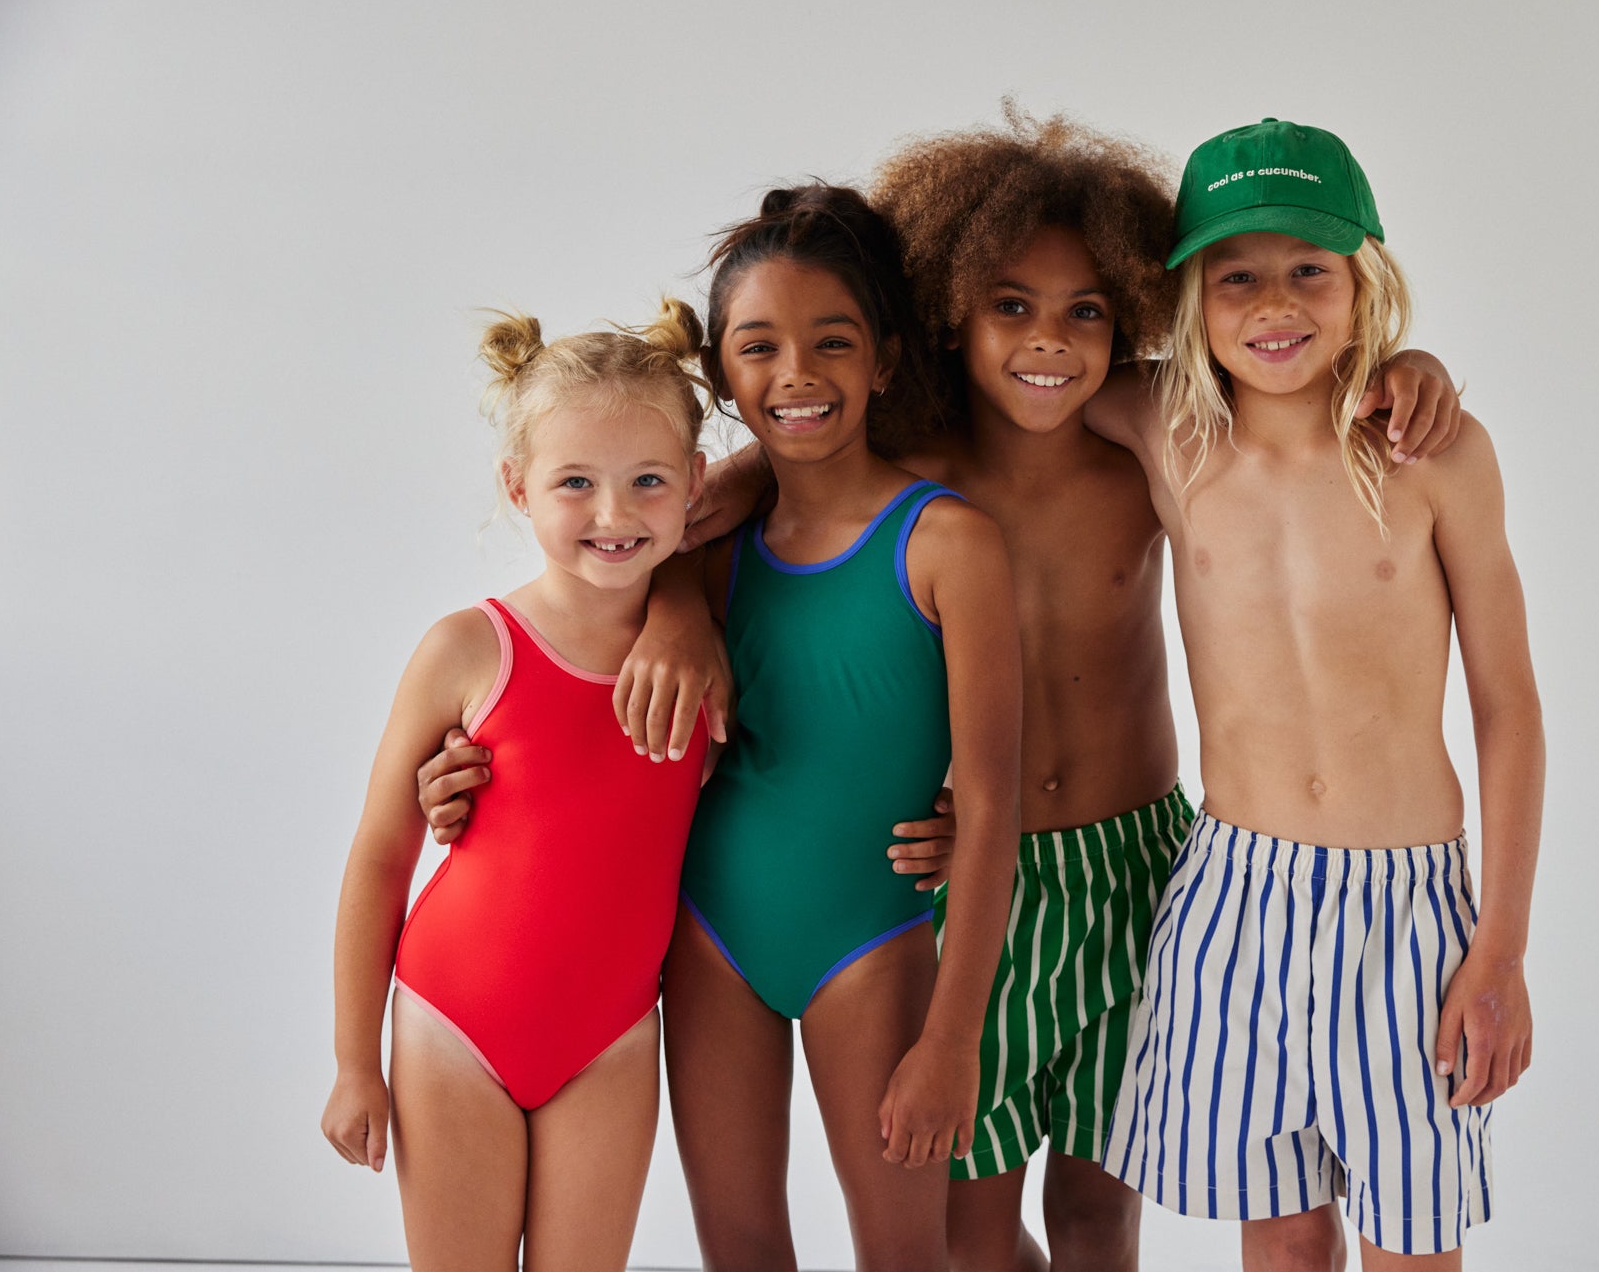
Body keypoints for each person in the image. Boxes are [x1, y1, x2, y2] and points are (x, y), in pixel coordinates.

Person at [593, 108, 1467, 1272]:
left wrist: (1405, 367)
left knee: (1100, 1215)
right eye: (1008, 306)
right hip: (968, 881)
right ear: (948, 316)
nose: (1047, 341)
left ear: (1132, 316)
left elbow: (1290, 377)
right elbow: (768, 467)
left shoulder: (1157, 440)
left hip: (1134, 867)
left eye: (1086, 312)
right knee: (972, 1226)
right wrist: (676, 599)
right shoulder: (919, 469)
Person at [1094, 118, 1544, 1271]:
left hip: (1408, 910)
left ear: (1363, 283)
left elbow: (1508, 707)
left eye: (1310, 270)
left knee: (1411, 1245)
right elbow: (1002, 378)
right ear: (1188, 296)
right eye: (1235, 276)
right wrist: (746, 475)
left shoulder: (1435, 453)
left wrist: (1499, 950)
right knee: (1285, 1240)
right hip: (1234, 893)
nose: (1275, 303)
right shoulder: (1165, 426)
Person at [665, 183, 1022, 1272]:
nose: (797, 374)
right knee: (738, 1250)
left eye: (832, 341)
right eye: (758, 347)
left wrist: (953, 1041)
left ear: (886, 360)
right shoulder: (702, 555)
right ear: (720, 374)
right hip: (710, 932)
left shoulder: (948, 544)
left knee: (904, 1254)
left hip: (871, 943)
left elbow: (993, 802)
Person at [319, 303, 711, 1271]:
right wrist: (354, 1062)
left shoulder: (714, 654)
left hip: (615, 1039)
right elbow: (380, 855)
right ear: (517, 486)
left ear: (695, 484)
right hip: (453, 1025)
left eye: (648, 480)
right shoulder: (466, 648)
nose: (615, 514)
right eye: (576, 481)